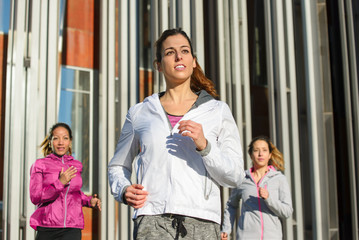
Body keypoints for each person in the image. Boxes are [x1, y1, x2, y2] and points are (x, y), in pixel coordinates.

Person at [108, 28, 245, 240]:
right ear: (159, 65)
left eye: (185, 51)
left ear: (194, 61)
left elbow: (235, 175)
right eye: (170, 52)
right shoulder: (140, 112)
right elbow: (118, 165)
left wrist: (206, 147)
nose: (179, 56)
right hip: (152, 219)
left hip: (202, 220)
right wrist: (123, 190)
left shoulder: (217, 111)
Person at [29, 122, 101, 240]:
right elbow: (35, 197)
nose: (61, 142)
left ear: (70, 141)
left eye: (65, 138)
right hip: (47, 227)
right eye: (56, 138)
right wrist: (60, 183)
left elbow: (75, 194)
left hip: (72, 227)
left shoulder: (76, 165)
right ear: (50, 141)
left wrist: (89, 201)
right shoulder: (40, 165)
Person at [221, 136, 293, 240]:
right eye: (256, 150)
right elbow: (231, 205)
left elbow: (287, 212)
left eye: (264, 150)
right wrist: (226, 229)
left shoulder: (279, 179)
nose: (260, 154)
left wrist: (269, 199)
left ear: (270, 155)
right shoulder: (243, 179)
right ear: (250, 155)